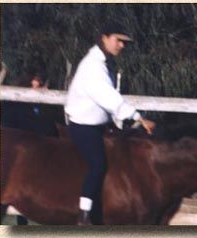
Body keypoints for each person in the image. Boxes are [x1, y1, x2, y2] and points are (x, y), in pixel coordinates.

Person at [65, 23, 155, 225]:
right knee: (98, 165)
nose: (121, 45)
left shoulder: (104, 63)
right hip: (83, 126)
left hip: (99, 125)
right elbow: (108, 97)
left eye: (124, 42)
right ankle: (84, 215)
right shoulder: (93, 66)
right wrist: (137, 117)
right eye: (118, 40)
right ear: (104, 38)